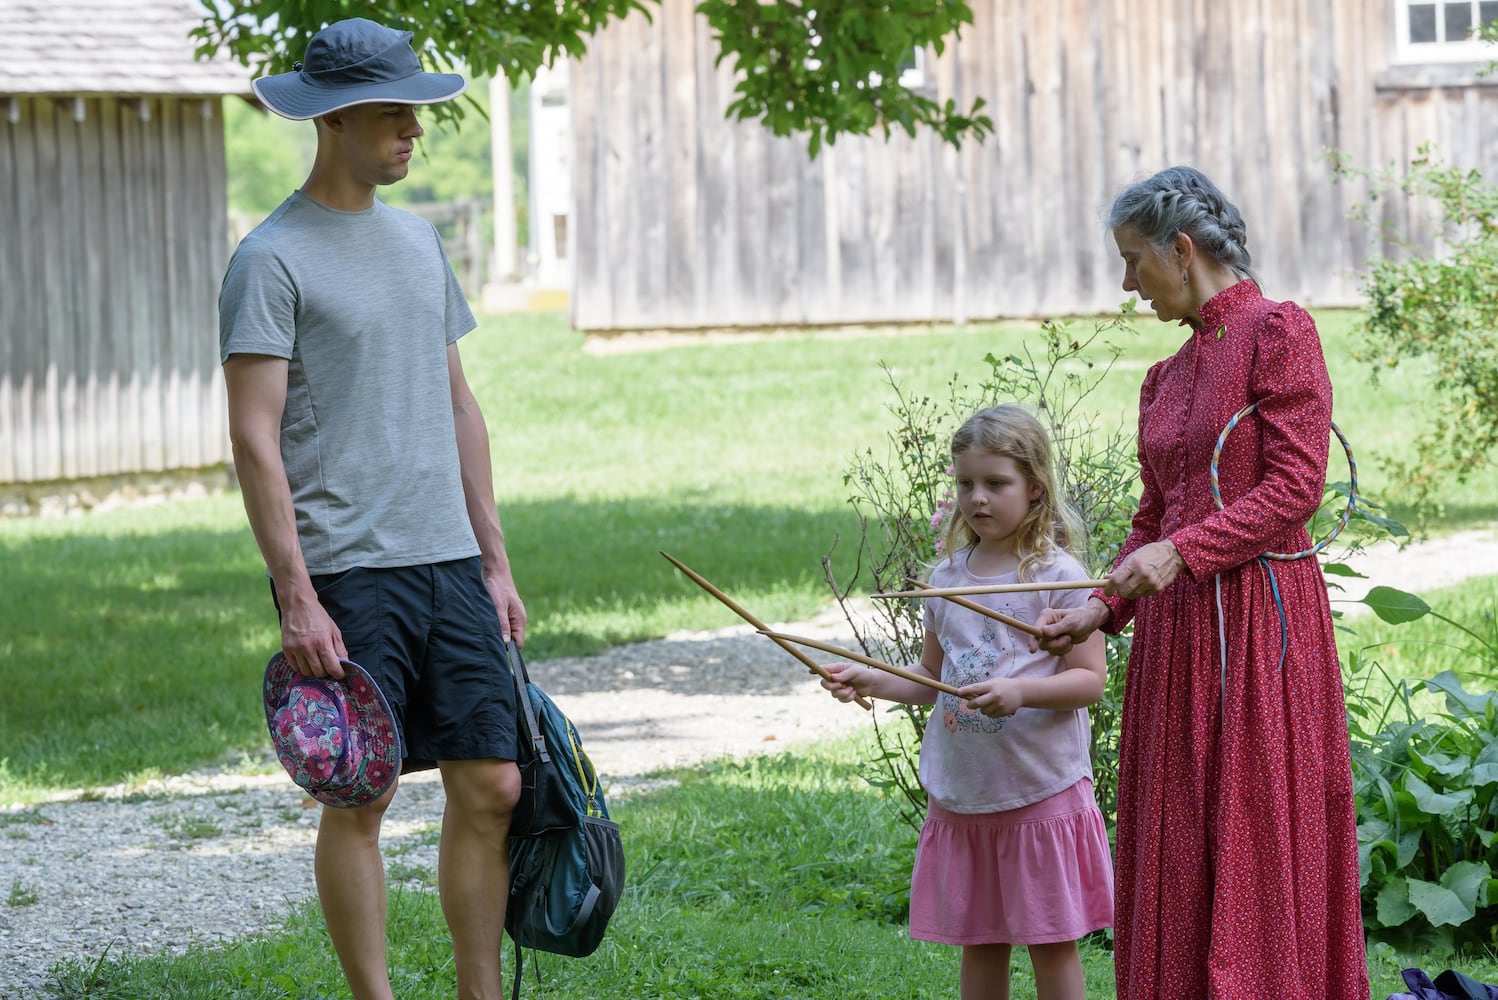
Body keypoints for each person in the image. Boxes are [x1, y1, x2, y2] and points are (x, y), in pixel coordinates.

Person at [218, 18, 524, 1000]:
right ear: (337, 117)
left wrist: (495, 559)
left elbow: (459, 404)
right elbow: (254, 438)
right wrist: (297, 594)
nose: (414, 131)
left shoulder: (417, 241)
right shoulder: (270, 260)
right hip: (347, 568)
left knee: (493, 785)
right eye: (397, 114)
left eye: (416, 114)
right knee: (364, 791)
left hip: (447, 559)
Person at [1036, 165, 1369, 999]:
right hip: (1176, 635)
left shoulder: (1278, 334)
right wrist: (1099, 606)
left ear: (1181, 251)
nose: (1124, 282)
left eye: (1132, 260)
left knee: (1253, 818)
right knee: (1178, 827)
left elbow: (1295, 489)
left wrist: (1184, 554)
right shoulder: (1167, 376)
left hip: (1260, 625)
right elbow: (1155, 514)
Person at [823, 404, 1113, 1000]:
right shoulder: (947, 577)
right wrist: (871, 679)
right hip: (969, 794)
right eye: (965, 484)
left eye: (995, 483)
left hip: (1039, 792)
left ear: (1035, 488)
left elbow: (1089, 681)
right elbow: (931, 676)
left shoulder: (1059, 576)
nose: (977, 498)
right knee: (981, 944)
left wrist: (1022, 691)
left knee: (1051, 945)